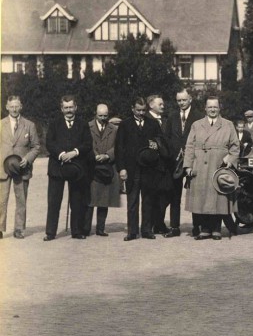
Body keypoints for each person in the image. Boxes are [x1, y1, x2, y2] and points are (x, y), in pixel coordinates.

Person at [184, 96, 240, 240]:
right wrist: (188, 165)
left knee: (218, 197)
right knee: (202, 197)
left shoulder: (227, 125)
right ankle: (205, 228)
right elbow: (189, 146)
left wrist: (230, 159)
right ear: (205, 108)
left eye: (215, 107)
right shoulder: (196, 125)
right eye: (210, 107)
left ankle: (216, 229)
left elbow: (235, 146)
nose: (212, 110)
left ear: (219, 108)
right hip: (200, 165)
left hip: (218, 165)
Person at [115, 97, 165, 241]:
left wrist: (156, 144)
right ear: (132, 109)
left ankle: (147, 230)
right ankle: (132, 231)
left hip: (149, 168)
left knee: (148, 200)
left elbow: (160, 141)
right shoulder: (125, 125)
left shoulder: (153, 123)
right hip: (131, 169)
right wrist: (122, 169)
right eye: (138, 110)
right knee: (132, 201)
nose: (141, 113)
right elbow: (119, 148)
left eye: (143, 110)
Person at [44, 94, 92, 241]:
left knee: (77, 200)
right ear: (61, 109)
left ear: (76, 107)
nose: (69, 110)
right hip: (57, 168)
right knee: (54, 201)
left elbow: (88, 144)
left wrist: (74, 153)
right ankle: (50, 232)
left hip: (77, 168)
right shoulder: (54, 123)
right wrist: (61, 154)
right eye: (66, 108)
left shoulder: (83, 124)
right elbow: (49, 143)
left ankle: (76, 231)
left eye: (71, 107)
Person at [0, 95, 40, 239]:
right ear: (6, 107)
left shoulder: (29, 125)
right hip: (2, 169)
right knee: (1, 200)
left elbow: (36, 147)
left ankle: (19, 229)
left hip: (22, 168)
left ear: (21, 106)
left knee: (21, 199)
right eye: (12, 106)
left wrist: (27, 159)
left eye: (17, 106)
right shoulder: (1, 124)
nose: (14, 109)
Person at [165, 89, 204, 238]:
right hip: (175, 162)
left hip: (193, 161)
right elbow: (166, 137)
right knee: (175, 195)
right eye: (179, 100)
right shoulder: (172, 117)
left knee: (194, 194)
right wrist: (174, 152)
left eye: (184, 100)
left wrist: (189, 153)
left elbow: (200, 138)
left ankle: (197, 226)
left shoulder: (199, 116)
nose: (181, 103)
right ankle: (174, 227)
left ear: (190, 99)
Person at [83, 104, 121, 237]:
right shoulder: (87, 127)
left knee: (104, 199)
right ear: (95, 114)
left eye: (105, 116)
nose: (103, 118)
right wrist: (94, 155)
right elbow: (85, 143)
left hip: (107, 167)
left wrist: (107, 155)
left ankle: (100, 228)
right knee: (90, 199)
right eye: (100, 116)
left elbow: (118, 146)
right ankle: (86, 228)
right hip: (92, 167)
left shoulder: (114, 129)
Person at [146, 94, 170, 235]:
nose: (163, 106)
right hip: (151, 164)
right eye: (160, 104)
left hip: (165, 164)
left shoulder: (165, 120)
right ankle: (150, 226)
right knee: (150, 196)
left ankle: (159, 223)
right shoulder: (146, 120)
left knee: (164, 195)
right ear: (151, 105)